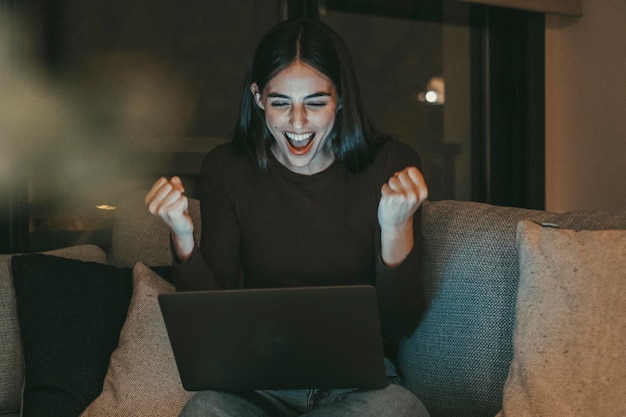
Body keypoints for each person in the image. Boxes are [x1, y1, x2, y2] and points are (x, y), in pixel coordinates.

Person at [146, 17, 429, 417]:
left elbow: (400, 323)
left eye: (316, 102)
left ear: (341, 98)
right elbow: (213, 317)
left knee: (399, 410)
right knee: (205, 409)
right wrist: (182, 238)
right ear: (259, 97)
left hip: (359, 387)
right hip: (258, 385)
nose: (298, 123)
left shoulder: (390, 165)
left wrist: (396, 229)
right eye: (281, 103)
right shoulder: (228, 169)